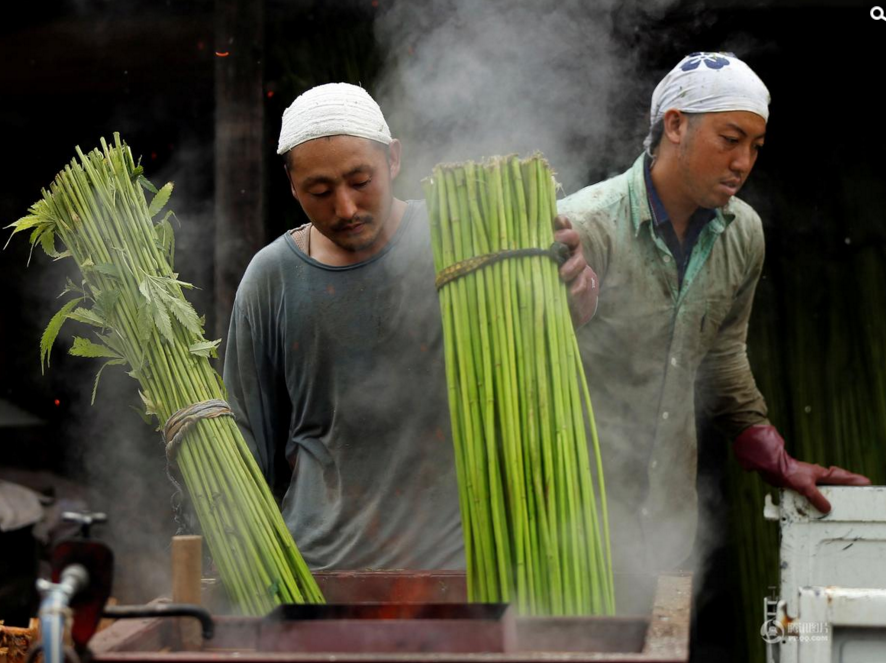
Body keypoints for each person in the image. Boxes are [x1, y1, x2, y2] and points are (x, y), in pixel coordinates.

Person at [223, 83, 598, 571]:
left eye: (361, 181)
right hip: (323, 570)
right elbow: (249, 441)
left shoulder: (466, 242)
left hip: (465, 566)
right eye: (319, 191)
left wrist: (575, 285)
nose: (346, 208)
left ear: (394, 159)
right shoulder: (271, 277)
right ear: (293, 186)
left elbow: (555, 327)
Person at [558, 52, 870, 609]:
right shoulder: (587, 225)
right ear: (675, 125)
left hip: (670, 533)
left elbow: (722, 353)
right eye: (730, 138)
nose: (744, 161)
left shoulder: (742, 233)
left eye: (755, 146)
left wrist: (771, 452)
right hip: (566, 527)